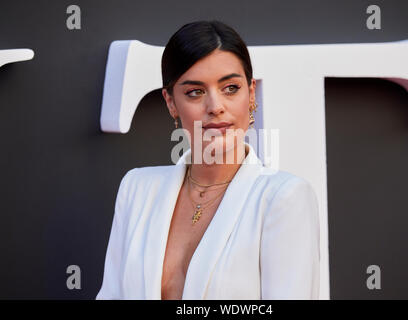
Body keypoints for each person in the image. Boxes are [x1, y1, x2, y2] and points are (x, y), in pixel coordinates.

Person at [96, 20, 320, 300]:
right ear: (171, 102)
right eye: (195, 92)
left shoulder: (284, 198)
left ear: (250, 94)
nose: (215, 107)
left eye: (230, 88)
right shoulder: (137, 189)